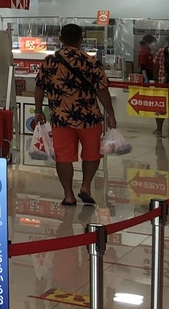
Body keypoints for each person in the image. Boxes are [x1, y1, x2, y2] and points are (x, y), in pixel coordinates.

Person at [34, 24, 118, 205]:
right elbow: (102, 90)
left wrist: (39, 110)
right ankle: (85, 186)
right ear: (81, 39)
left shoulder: (50, 61)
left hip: (61, 119)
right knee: (92, 154)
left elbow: (39, 87)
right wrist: (110, 114)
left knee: (63, 157)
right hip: (89, 118)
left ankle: (68, 195)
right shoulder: (91, 61)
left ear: (61, 39)